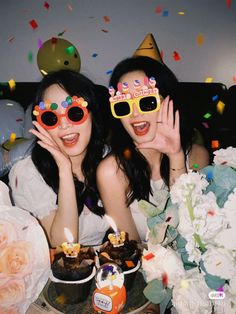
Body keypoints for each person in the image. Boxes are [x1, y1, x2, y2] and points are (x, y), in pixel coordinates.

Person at [97, 56, 210, 243]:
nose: (135, 113)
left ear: (168, 101)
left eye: (147, 102)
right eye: (124, 105)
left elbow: (192, 233)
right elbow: (130, 248)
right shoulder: (111, 171)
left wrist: (176, 156)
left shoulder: (197, 156)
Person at [9, 69, 110, 247]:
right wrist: (64, 170)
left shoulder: (107, 159)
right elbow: (62, 245)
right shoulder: (26, 174)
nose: (65, 125)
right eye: (50, 117)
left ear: (92, 115)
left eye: (75, 113)